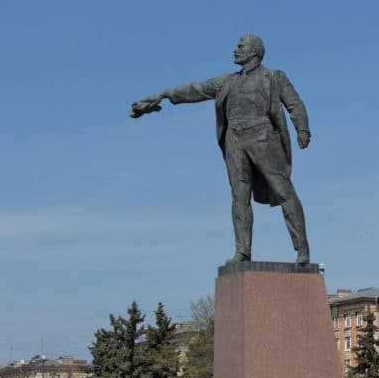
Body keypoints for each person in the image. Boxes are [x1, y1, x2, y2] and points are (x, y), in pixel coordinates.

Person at [130, 34, 313, 266]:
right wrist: (163, 95)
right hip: (234, 140)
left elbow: (294, 103)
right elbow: (196, 89)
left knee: (284, 191)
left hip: (264, 138)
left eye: (240, 46)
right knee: (239, 197)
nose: (235, 50)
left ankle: (302, 249)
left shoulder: (274, 77)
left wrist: (302, 130)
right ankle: (243, 251)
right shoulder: (227, 82)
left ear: (255, 51)